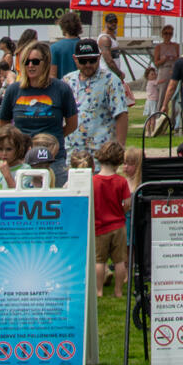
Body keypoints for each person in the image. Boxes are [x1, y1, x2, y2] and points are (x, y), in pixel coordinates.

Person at [0, 43, 78, 186]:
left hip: (53, 160)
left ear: (45, 63)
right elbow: (4, 125)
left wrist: (51, 140)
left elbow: (72, 124)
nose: (30, 65)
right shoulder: (13, 90)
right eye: (26, 62)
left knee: (56, 202)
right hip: (22, 161)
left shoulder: (61, 89)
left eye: (35, 61)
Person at [65, 38, 129, 164]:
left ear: (99, 57)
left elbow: (121, 114)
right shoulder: (67, 81)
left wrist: (120, 148)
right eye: (83, 61)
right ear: (75, 59)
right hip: (73, 154)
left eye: (92, 60)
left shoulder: (111, 80)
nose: (88, 64)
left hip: (101, 155)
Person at [91, 138, 131, 299]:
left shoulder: (93, 181)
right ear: (118, 162)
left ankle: (99, 290)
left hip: (99, 226)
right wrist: (121, 211)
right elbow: (127, 203)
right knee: (119, 261)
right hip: (118, 225)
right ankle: (118, 291)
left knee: (99, 261)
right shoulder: (121, 181)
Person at [50, 9, 83, 80]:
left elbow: (52, 77)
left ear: (62, 27)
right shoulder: (85, 46)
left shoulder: (54, 48)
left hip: (62, 88)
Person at [0, 125, 29, 189]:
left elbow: (21, 197)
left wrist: (8, 177)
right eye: (0, 149)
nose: (4, 153)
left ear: (19, 149)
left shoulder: (26, 170)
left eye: (9, 149)